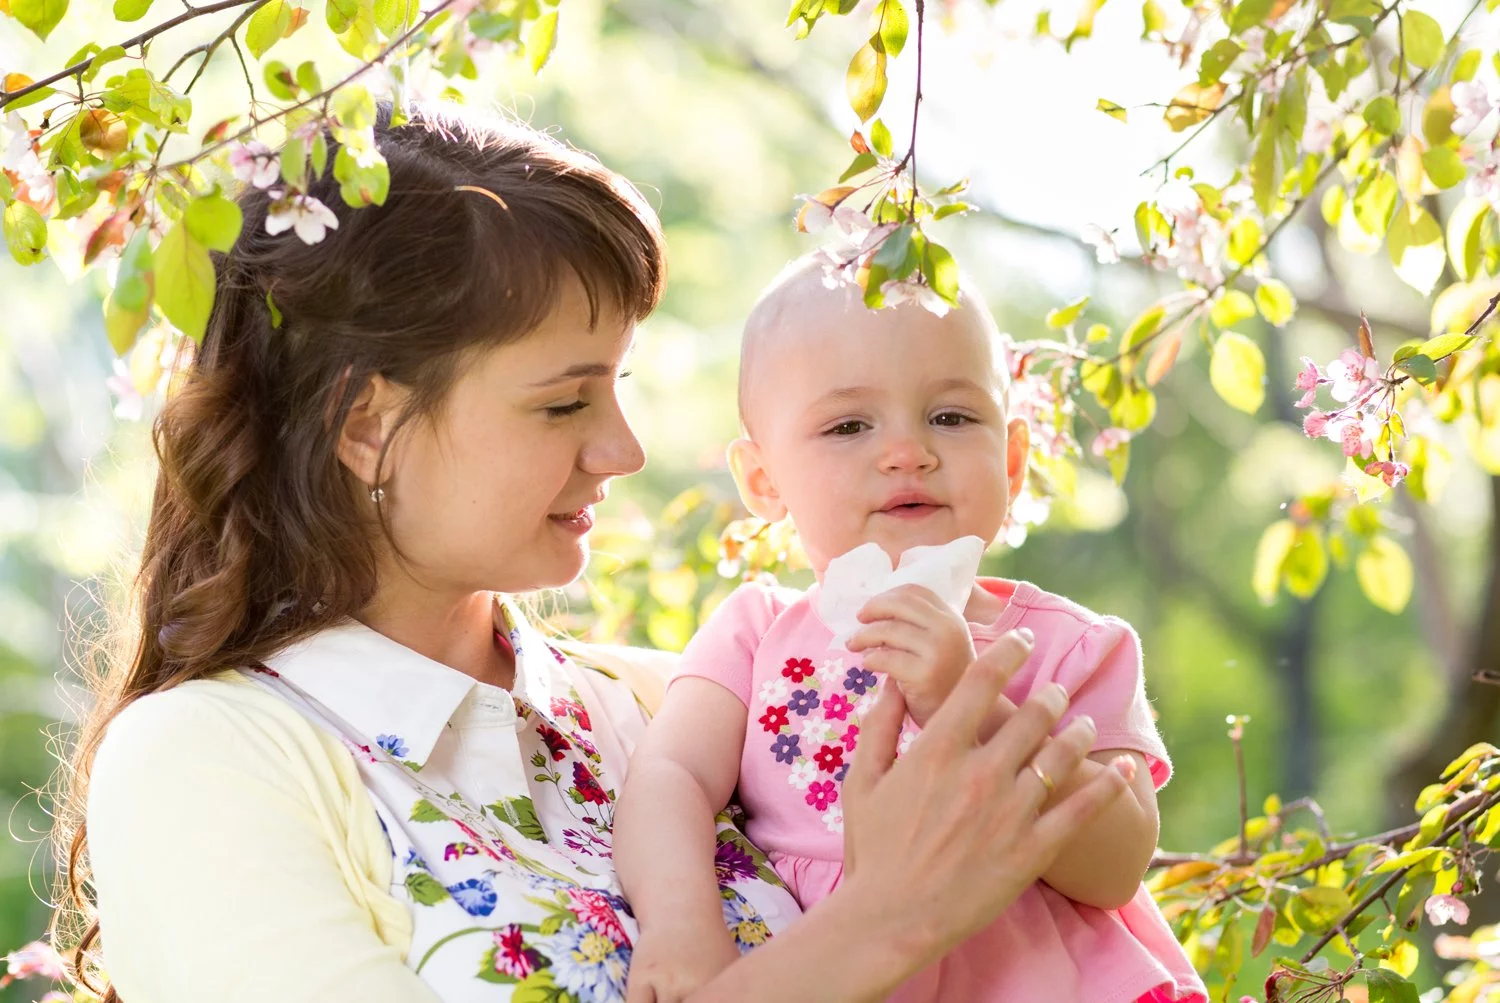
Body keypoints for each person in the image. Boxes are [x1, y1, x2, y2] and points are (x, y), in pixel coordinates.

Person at [60, 103, 1131, 1003]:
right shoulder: (207, 762)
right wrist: (884, 923)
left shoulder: (659, 706)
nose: (625, 448)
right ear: (366, 427)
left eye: (619, 386)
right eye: (565, 401)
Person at [614, 256, 1209, 1003]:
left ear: (1014, 458)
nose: (907, 451)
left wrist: (973, 701)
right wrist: (679, 923)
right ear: (764, 481)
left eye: (951, 417)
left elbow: (1117, 864)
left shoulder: (1071, 646)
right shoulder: (755, 632)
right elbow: (668, 778)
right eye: (848, 425)